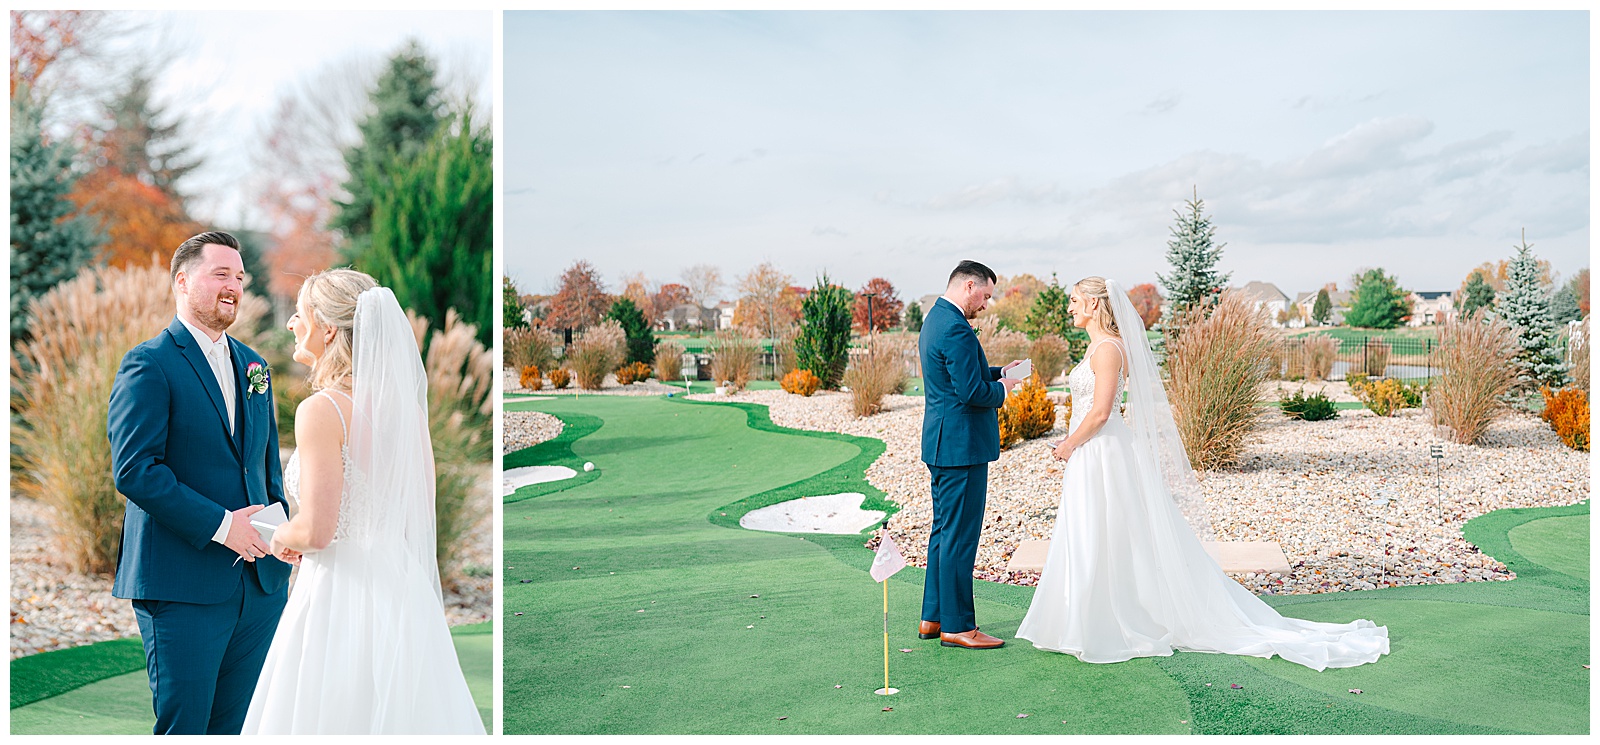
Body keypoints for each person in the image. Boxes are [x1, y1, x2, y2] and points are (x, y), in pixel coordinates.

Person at [1015, 277, 1389, 670]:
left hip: (1102, 452)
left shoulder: (1108, 348)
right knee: (1094, 531)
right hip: (1092, 453)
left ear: (1093, 304)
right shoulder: (1096, 346)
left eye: (1074, 300)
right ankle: (1088, 618)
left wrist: (1068, 444)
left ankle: (1111, 620)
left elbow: (1102, 412)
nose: (1069, 307)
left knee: (1105, 530)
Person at [241, 269, 485, 734]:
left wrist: (277, 535)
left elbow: (316, 531)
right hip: (401, 591)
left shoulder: (322, 410)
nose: (291, 324)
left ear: (328, 329)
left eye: (299, 314)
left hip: (340, 594)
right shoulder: (408, 413)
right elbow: (416, 518)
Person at [108, 231, 292, 734]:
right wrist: (220, 525)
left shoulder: (255, 366)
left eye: (238, 276)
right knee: (185, 728)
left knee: (238, 729)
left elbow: (265, 467)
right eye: (220, 274)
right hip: (181, 584)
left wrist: (284, 536)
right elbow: (135, 470)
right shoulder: (149, 363)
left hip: (259, 587)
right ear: (183, 281)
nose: (233, 285)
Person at [917, 260, 1025, 650]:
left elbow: (958, 373)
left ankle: (934, 617)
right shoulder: (957, 328)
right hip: (961, 447)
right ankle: (959, 626)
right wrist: (1005, 390)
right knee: (960, 537)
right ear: (968, 285)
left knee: (943, 534)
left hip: (943, 443)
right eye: (986, 295)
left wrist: (998, 372)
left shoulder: (936, 319)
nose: (986, 304)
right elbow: (970, 392)